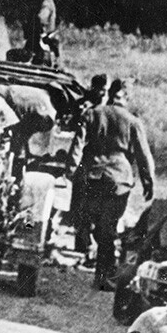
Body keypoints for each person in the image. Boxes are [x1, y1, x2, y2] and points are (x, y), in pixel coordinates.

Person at [67, 78, 155, 290]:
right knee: (109, 227)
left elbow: (77, 143)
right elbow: (144, 156)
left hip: (93, 175)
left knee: (96, 223)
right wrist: (148, 182)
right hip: (118, 179)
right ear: (127, 98)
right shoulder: (133, 121)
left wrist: (70, 171)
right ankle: (103, 276)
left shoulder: (93, 113)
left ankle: (99, 262)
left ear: (110, 93)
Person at [67, 73, 108, 266]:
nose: (101, 93)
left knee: (86, 207)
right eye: (100, 88)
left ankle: (87, 247)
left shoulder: (94, 109)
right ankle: (84, 246)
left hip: (92, 163)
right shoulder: (84, 105)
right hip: (94, 163)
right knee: (83, 206)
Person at [22, 0, 58, 65]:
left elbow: (41, 18)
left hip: (43, 45)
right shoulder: (35, 1)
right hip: (34, 43)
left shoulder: (45, 1)